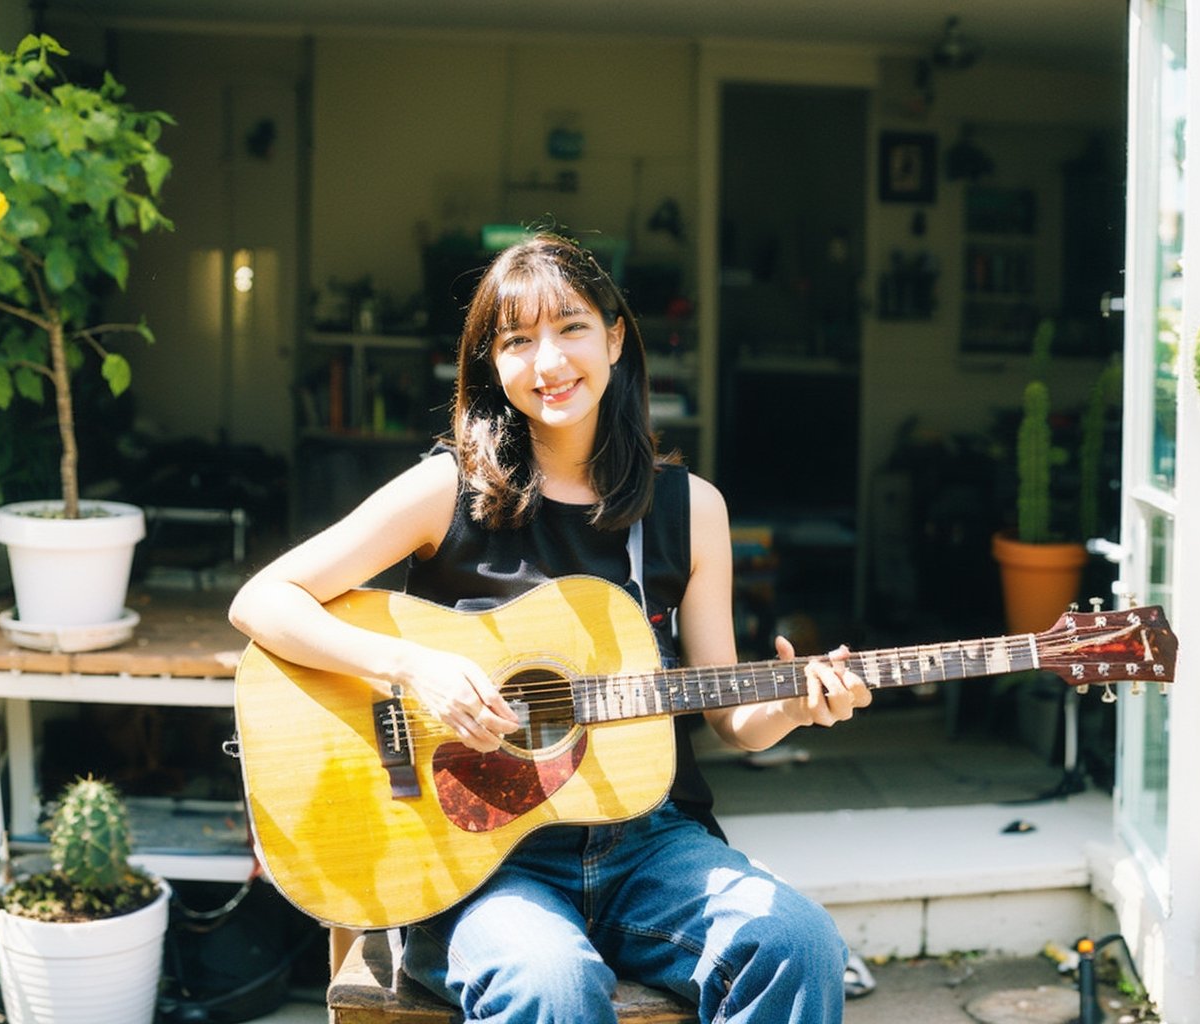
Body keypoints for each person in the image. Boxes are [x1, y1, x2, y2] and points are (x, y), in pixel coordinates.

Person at [229, 232, 873, 1023]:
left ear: (614, 336)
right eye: (517, 340)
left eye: (571, 327)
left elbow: (731, 719)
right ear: (491, 366)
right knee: (552, 983)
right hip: (483, 862)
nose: (549, 361)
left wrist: (799, 704)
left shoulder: (690, 509)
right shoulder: (446, 490)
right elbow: (263, 599)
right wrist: (409, 665)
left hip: (650, 846)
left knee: (799, 943)